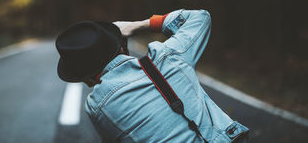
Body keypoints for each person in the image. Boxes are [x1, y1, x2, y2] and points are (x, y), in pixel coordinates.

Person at [55, 9, 249, 142]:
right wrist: (137, 25)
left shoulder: (96, 106)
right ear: (121, 46)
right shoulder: (167, 57)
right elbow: (199, 17)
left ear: (87, 78)